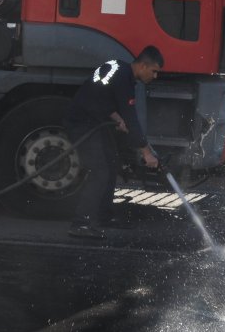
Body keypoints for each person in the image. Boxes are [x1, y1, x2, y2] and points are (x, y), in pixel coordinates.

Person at [63, 46, 163, 239]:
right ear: (143, 66)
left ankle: (103, 216)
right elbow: (131, 118)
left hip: (94, 121)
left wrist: (116, 117)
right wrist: (146, 152)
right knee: (100, 170)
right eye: (154, 71)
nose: (155, 76)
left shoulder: (118, 66)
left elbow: (99, 94)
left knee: (111, 162)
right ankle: (80, 224)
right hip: (82, 125)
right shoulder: (124, 80)